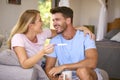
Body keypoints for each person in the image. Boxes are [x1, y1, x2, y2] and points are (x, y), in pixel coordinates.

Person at [7, 9, 94, 80]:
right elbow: (24, 64)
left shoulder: (42, 33)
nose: (43, 22)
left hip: (42, 66)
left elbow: (62, 28)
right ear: (31, 25)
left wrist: (82, 28)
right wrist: (43, 52)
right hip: (32, 69)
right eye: (40, 20)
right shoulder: (18, 38)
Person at [45, 6, 102, 80]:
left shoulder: (86, 36)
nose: (54, 23)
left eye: (57, 20)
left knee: (82, 71)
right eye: (53, 20)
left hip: (88, 74)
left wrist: (64, 66)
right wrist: (57, 79)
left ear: (68, 20)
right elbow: (49, 68)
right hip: (67, 77)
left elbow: (92, 62)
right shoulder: (54, 41)